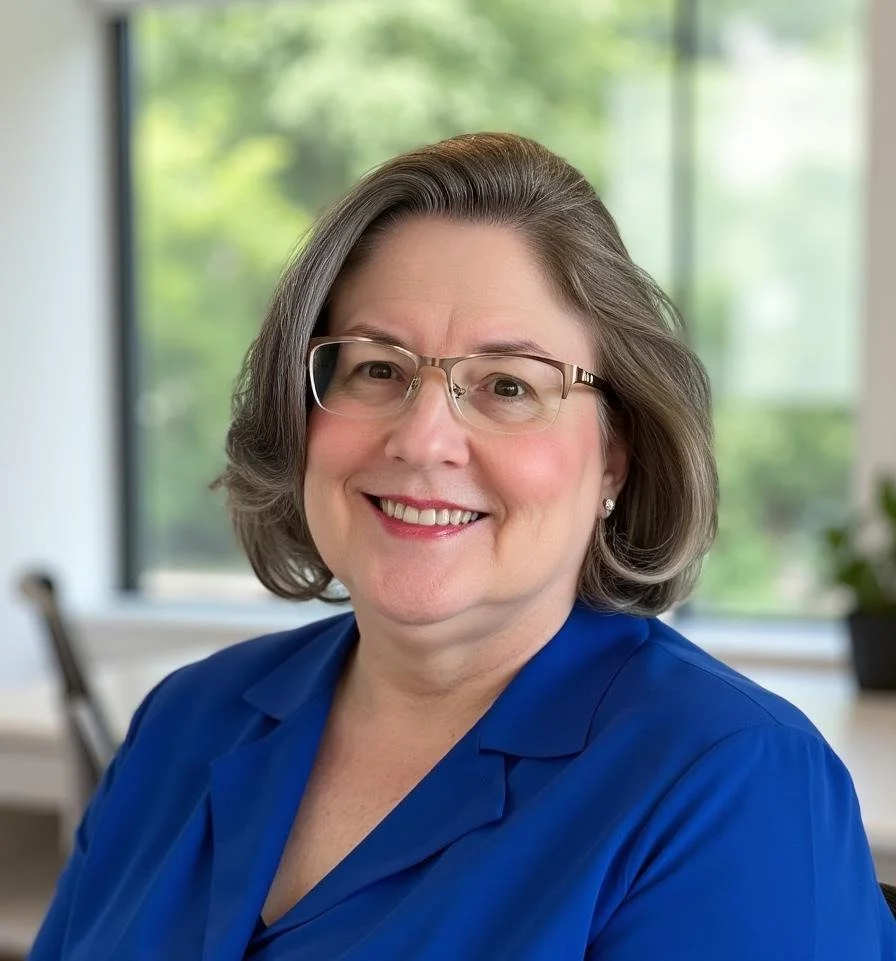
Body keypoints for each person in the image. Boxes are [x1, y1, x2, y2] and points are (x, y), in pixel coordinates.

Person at [29, 133, 895, 961]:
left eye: (508, 385)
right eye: (377, 368)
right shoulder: (186, 720)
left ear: (616, 456)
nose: (423, 438)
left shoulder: (732, 782)